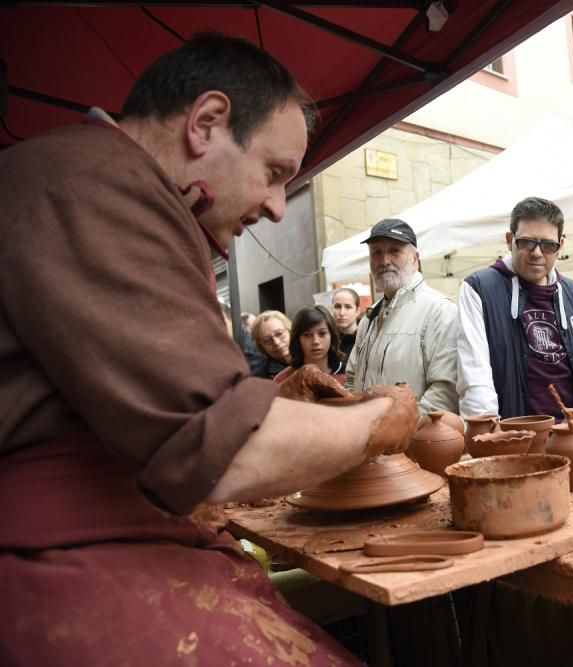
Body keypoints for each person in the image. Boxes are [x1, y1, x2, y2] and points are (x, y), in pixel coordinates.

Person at [0, 33, 417, 665]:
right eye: (274, 174)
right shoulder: (95, 182)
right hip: (52, 557)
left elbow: (115, 399)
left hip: (112, 537)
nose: (278, 206)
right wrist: (380, 421)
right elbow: (228, 452)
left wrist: (275, 397)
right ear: (207, 123)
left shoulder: (108, 185)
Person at [457, 196, 573, 420]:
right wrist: (487, 434)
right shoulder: (479, 289)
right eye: (527, 242)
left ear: (560, 246)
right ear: (509, 240)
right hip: (517, 439)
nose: (537, 252)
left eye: (548, 245)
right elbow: (475, 377)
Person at [347, 218, 459, 415]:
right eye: (377, 253)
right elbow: (351, 378)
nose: (384, 261)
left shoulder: (440, 311)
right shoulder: (368, 319)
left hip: (412, 443)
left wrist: (395, 430)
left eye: (394, 251)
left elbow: (446, 391)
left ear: (415, 260)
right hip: (367, 440)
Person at [274, 305, 341, 383]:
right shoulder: (283, 380)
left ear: (332, 335)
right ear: (297, 339)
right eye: (307, 335)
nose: (315, 341)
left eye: (322, 333)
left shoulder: (348, 373)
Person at [251, 309, 293, 380]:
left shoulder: (311, 358)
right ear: (261, 346)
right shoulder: (260, 378)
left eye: (279, 334)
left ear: (290, 330)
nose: (276, 342)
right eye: (267, 340)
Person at [331, 287, 360, 374]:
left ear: (357, 311)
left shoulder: (366, 338)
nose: (342, 313)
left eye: (348, 307)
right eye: (337, 306)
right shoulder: (328, 339)